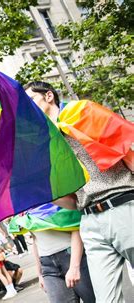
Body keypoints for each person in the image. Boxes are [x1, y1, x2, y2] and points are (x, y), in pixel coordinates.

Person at [25, 81, 134, 302]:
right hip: (89, 221)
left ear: (48, 96)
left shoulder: (83, 111)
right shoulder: (46, 145)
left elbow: (126, 151)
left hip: (122, 206)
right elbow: (71, 202)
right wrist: (46, 191)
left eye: (32, 101)